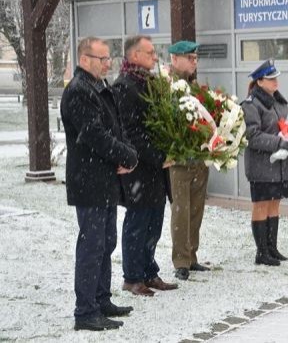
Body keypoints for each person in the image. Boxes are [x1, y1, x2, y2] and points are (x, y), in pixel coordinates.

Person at [61, 37, 138, 331]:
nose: (108, 64)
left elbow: (115, 128)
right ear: (84, 59)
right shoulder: (79, 91)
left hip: (104, 178)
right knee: (92, 245)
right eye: (102, 58)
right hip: (89, 180)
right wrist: (126, 154)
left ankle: (101, 299)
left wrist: (128, 153)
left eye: (109, 59)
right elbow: (94, 135)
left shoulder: (98, 88)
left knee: (106, 241)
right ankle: (85, 310)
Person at [112, 35, 178, 296]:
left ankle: (149, 272)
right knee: (137, 222)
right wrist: (158, 156)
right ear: (135, 55)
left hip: (156, 168)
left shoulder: (151, 83)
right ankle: (132, 277)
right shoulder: (124, 86)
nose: (155, 57)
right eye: (150, 53)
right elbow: (130, 131)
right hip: (138, 168)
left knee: (155, 222)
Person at [241, 59, 288, 266]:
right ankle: (261, 252)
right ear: (259, 81)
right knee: (261, 206)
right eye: (270, 79)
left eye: (275, 78)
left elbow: (285, 126)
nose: (275, 82)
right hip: (261, 165)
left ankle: (272, 248)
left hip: (279, 165)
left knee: (274, 205)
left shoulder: (279, 102)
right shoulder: (251, 104)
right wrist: (279, 142)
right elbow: (252, 136)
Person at [167, 40, 211, 280]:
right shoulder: (168, 86)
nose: (195, 62)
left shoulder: (196, 87)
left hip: (199, 157)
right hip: (180, 159)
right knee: (181, 211)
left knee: (196, 209)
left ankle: (192, 255)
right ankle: (181, 261)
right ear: (175, 59)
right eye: (190, 58)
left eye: (196, 58)